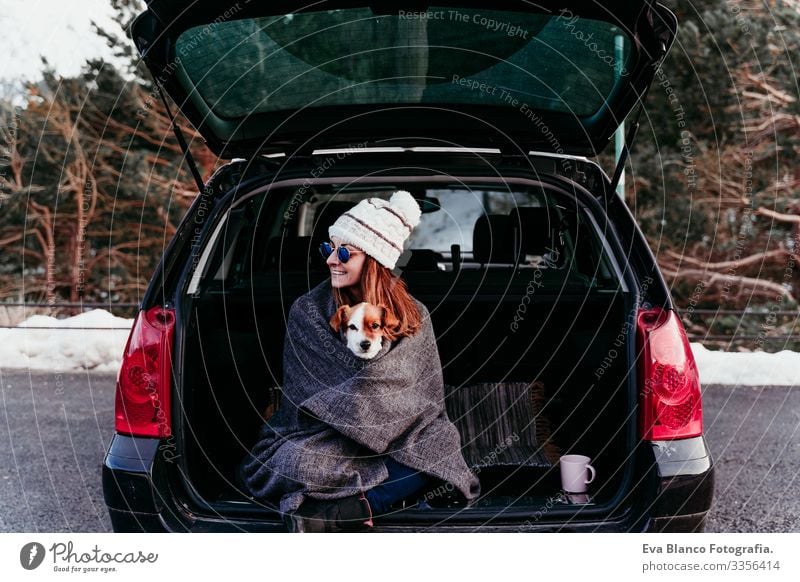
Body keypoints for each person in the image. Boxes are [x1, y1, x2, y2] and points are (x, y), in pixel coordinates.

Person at [239, 190, 480, 532]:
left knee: (439, 451)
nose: (330, 260)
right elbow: (306, 391)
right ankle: (365, 500)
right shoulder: (307, 311)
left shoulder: (414, 315)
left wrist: (380, 413)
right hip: (325, 434)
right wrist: (358, 410)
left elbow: (421, 395)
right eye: (327, 248)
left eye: (343, 253)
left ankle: (353, 507)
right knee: (300, 464)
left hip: (403, 433)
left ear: (374, 258)